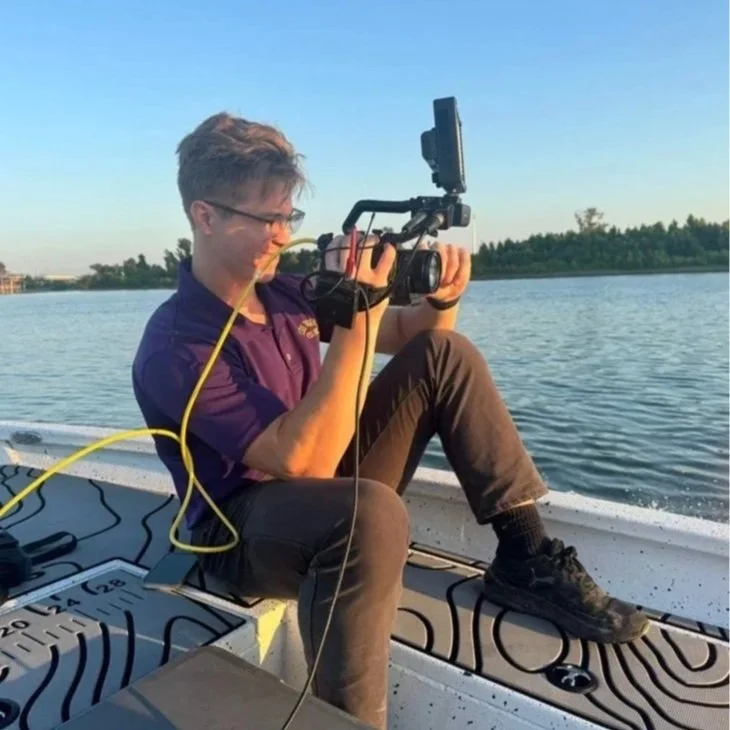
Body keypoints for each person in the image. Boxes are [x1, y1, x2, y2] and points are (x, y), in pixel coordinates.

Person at [132, 112, 649, 730]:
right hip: (239, 531)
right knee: (369, 514)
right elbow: (302, 461)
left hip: (316, 492)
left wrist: (441, 299)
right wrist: (357, 313)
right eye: (265, 219)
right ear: (204, 215)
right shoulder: (176, 343)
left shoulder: (286, 293)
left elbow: (413, 338)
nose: (281, 235)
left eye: (288, 218)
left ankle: (527, 558)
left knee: (445, 354)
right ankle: (347, 722)